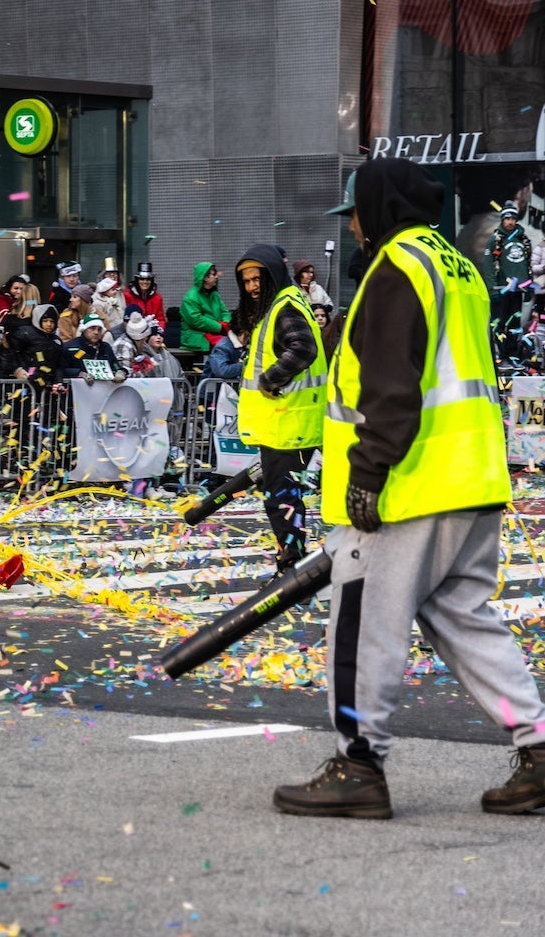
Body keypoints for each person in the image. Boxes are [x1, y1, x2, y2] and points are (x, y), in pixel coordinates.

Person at [273, 156, 545, 820]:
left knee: (364, 624)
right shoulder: (455, 264)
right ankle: (540, 747)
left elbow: (394, 383)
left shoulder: (397, 266)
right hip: (472, 476)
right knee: (464, 618)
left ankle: (358, 763)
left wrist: (367, 472)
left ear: (382, 208)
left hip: (408, 487)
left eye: (358, 213)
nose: (356, 228)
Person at [232, 243, 326, 574]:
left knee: (281, 498)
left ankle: (292, 565)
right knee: (286, 497)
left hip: (288, 423)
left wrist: (270, 380)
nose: (252, 287)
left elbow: (303, 348)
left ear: (273, 275)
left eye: (258, 279)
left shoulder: (283, 308)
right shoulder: (283, 304)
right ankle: (293, 559)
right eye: (246, 281)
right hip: (289, 421)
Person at [488, 203, 530, 335]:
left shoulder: (524, 240)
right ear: (502, 220)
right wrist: (492, 289)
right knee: (499, 324)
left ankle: (513, 354)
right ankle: (500, 354)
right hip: (501, 289)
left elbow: (528, 265)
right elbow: (488, 265)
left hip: (518, 290)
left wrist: (529, 287)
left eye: (513, 219)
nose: (510, 222)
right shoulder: (495, 239)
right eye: (507, 219)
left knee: (515, 325)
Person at [178, 262, 231, 354]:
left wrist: (226, 323)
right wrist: (220, 327)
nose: (217, 277)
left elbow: (225, 312)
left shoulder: (214, 295)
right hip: (198, 338)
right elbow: (195, 320)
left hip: (214, 334)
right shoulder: (191, 297)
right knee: (226, 347)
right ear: (205, 278)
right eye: (213, 274)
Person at [122, 261, 167, 330]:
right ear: (137, 280)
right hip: (132, 331)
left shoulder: (157, 298)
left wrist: (158, 332)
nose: (145, 282)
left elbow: (160, 319)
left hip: (152, 332)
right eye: (142, 279)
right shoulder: (127, 296)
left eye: (148, 279)